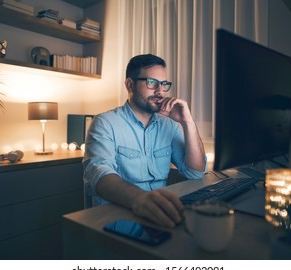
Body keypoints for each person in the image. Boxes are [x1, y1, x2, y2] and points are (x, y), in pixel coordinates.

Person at [83, 54, 206, 228]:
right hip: (117, 218)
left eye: (163, 84)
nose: (160, 91)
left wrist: (188, 122)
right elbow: (99, 176)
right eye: (151, 83)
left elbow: (195, 172)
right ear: (130, 84)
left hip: (159, 215)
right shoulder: (105, 123)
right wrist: (141, 198)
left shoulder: (169, 125)